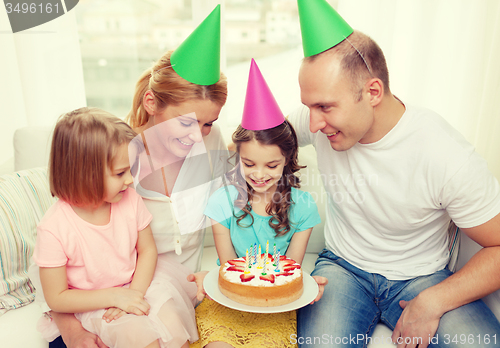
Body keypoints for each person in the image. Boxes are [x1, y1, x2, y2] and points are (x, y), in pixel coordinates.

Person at [292, 1, 500, 347]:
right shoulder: (320, 122)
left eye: (325, 106)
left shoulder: (444, 154)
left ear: (372, 92)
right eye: (308, 107)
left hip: (422, 279)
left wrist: (435, 301)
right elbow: (258, 137)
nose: (313, 124)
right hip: (342, 269)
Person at [29, 5, 231, 348]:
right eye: (186, 122)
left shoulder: (213, 143)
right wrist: (73, 330)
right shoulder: (114, 157)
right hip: (109, 299)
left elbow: (223, 215)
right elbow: (65, 259)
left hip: (172, 292)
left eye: (207, 122)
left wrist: (228, 276)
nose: (198, 135)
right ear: (151, 102)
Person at [33, 107, 198, 348]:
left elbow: (148, 251)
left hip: (138, 283)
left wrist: (135, 294)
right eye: (120, 173)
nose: (130, 180)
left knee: (171, 324)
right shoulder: (54, 228)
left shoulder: (130, 199)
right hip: (93, 301)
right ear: (83, 174)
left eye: (129, 170)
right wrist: (116, 298)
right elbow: (57, 298)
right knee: (137, 334)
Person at [194, 59, 322, 348]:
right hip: (227, 301)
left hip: (274, 306)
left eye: (272, 165)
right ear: (238, 156)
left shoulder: (303, 207)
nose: (259, 174)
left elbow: (290, 269)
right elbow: (229, 268)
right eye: (249, 163)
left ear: (288, 160)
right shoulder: (222, 203)